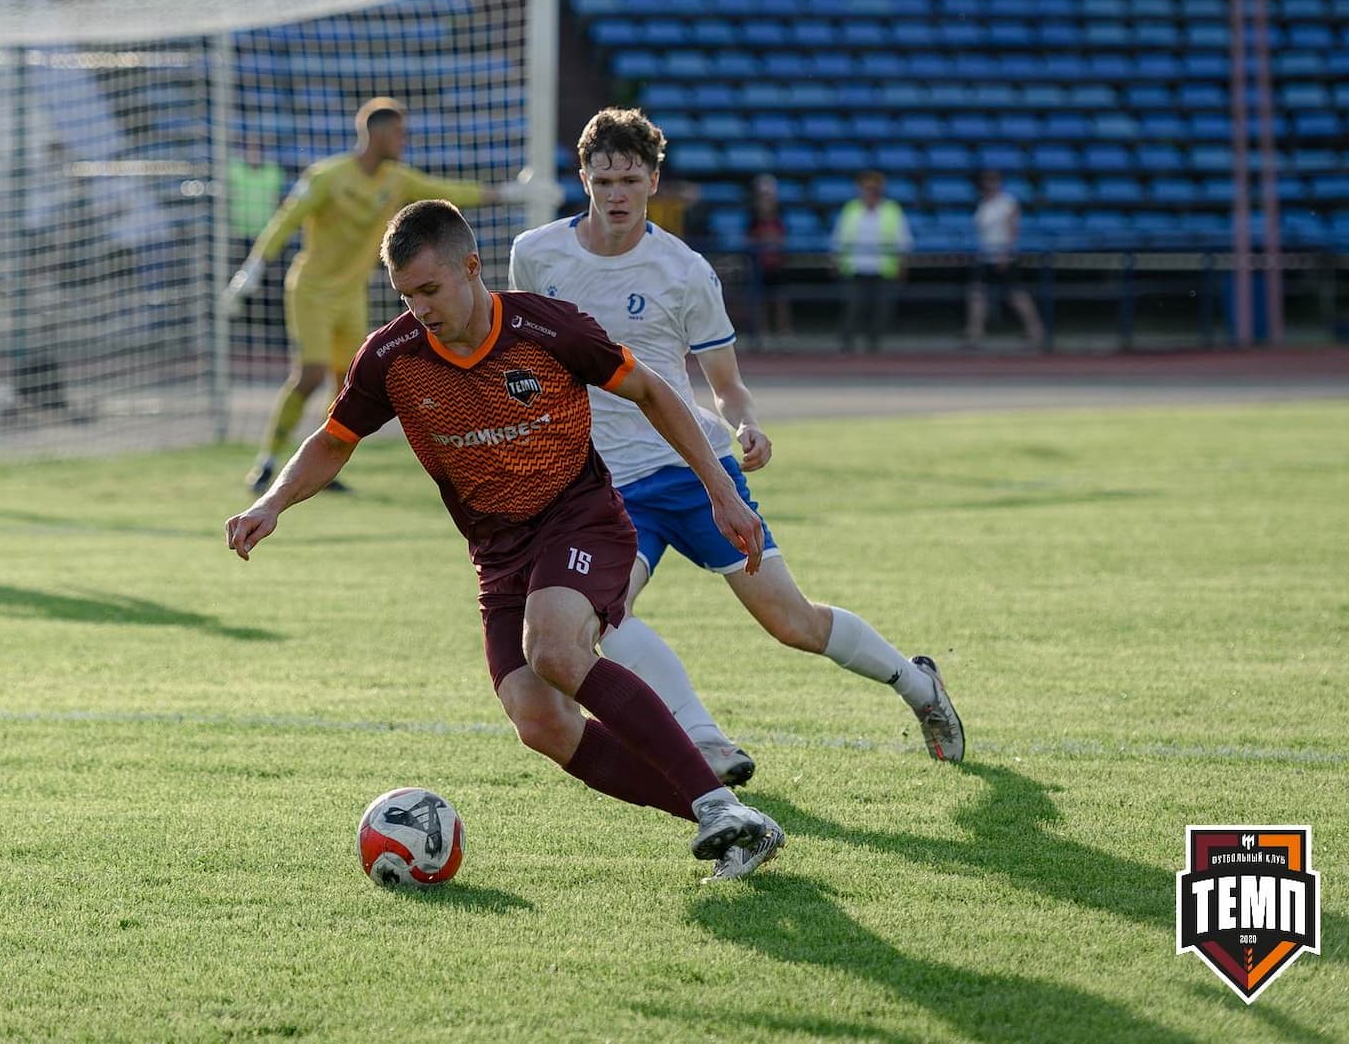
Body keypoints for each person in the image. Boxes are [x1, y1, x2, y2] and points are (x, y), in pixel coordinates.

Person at [225, 200, 785, 880]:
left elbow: (653, 390)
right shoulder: (394, 357)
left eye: (430, 290)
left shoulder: (543, 329)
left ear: (471, 267)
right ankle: (726, 819)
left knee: (553, 648)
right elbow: (335, 438)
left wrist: (721, 491)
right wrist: (274, 501)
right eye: (407, 295)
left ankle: (716, 802)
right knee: (537, 719)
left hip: (581, 519)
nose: (421, 308)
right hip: (498, 553)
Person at [511, 109, 964, 777]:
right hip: (603, 488)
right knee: (599, 618)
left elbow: (727, 385)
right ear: (581, 178)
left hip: (692, 469)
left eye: (630, 180)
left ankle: (917, 684)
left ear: (654, 181)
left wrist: (745, 424)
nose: (615, 195)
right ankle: (708, 742)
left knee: (793, 624)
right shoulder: (537, 254)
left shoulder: (684, 270)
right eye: (603, 179)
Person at [220, 97, 527, 492]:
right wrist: (252, 268)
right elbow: (287, 220)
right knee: (310, 375)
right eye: (400, 132)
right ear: (378, 133)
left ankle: (321, 467)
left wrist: (509, 193)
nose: (404, 140)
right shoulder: (327, 176)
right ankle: (268, 461)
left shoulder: (397, 179)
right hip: (311, 290)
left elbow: (446, 193)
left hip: (351, 295)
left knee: (345, 383)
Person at [830, 169, 911, 353]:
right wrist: (834, 260)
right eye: (866, 188)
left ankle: (874, 343)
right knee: (852, 307)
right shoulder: (851, 209)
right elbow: (839, 238)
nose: (870, 192)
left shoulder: (892, 210)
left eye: (874, 188)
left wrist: (902, 264)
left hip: (883, 269)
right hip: (854, 267)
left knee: (881, 309)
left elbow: (903, 240)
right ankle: (847, 342)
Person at [964, 169, 1045, 349]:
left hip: (1003, 255)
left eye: (993, 180)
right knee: (977, 293)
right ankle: (975, 333)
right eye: (987, 180)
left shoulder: (1007, 202)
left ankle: (1036, 331)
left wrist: (1007, 252)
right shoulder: (983, 204)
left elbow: (1013, 229)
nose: (990, 184)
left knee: (1016, 295)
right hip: (985, 255)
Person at [744, 174, 792, 345]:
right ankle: (762, 334)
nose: (766, 200)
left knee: (780, 300)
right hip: (759, 264)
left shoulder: (781, 215)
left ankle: (782, 333)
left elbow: (784, 237)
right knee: (761, 301)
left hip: (777, 263)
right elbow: (748, 238)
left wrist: (774, 241)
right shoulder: (753, 218)